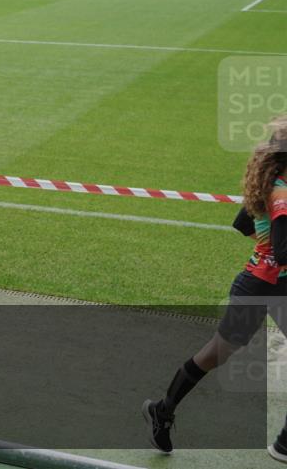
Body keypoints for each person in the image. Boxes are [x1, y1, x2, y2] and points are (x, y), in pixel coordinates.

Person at [143, 115, 287, 460]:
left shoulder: (273, 182)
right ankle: (162, 410)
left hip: (265, 284)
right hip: (262, 289)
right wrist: (271, 250)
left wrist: (264, 247)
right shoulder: (282, 192)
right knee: (215, 354)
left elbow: (243, 223)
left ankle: (284, 442)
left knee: (215, 354)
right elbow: (284, 252)